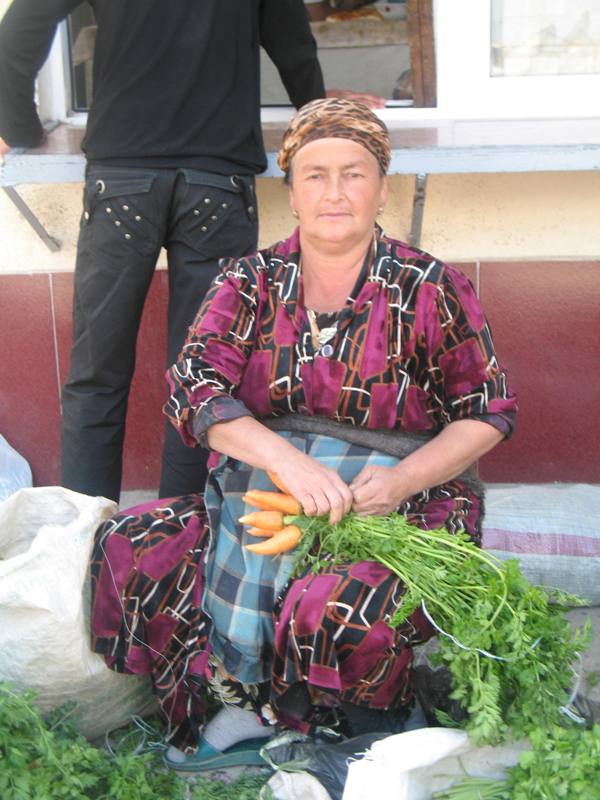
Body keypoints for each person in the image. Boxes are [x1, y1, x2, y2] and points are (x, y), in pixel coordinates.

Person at [89, 98, 517, 771]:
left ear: (382, 186)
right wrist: (287, 462)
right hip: (266, 490)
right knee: (135, 544)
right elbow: (194, 388)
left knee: (335, 605)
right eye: (315, 174)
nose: (335, 192)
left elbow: (486, 410)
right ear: (290, 190)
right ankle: (246, 707)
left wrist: (404, 480)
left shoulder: (431, 287)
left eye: (354, 173)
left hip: (405, 496)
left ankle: (374, 720)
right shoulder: (248, 282)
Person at [0, 1, 383, 503]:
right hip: (217, 183)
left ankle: (88, 547)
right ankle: (179, 540)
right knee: (202, 380)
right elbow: (291, 43)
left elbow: (23, 24)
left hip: (122, 181)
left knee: (96, 375)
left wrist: (19, 127)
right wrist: (315, 109)